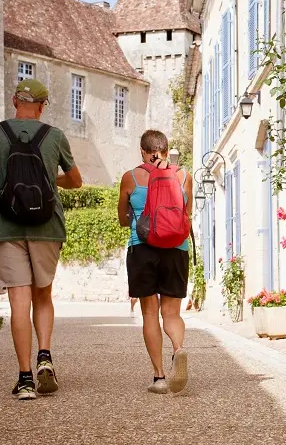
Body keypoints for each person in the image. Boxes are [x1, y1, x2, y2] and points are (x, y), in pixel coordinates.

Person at [0, 78, 82, 400]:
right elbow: (76, 181)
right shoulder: (55, 137)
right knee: (43, 297)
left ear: (14, 101)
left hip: (6, 229)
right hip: (46, 226)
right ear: (42, 106)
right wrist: (49, 178)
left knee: (18, 303)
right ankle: (45, 358)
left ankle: (24, 380)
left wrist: (1, 184)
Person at [118, 130, 193, 394]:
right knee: (172, 313)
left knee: (150, 313)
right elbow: (187, 214)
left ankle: (159, 377)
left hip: (143, 249)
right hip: (176, 249)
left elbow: (123, 219)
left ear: (142, 150)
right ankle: (179, 349)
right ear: (166, 149)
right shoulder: (183, 176)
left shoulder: (131, 177)